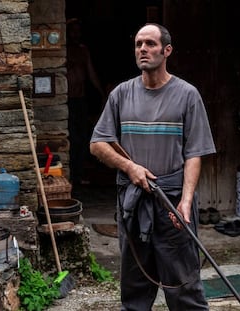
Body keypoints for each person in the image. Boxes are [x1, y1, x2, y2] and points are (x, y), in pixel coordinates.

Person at [90, 23, 216, 311]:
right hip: (133, 205)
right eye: (138, 44)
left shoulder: (187, 95)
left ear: (166, 50)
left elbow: (195, 154)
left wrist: (185, 202)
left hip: (172, 204)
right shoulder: (121, 94)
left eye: (149, 43)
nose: (143, 49)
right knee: (134, 291)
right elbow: (97, 144)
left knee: (184, 289)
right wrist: (129, 167)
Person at [66, 18, 104, 187]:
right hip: (67, 100)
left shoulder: (83, 51)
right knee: (71, 138)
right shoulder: (63, 51)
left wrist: (101, 92)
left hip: (80, 99)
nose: (76, 34)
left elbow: (90, 72)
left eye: (77, 31)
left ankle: (78, 174)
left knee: (82, 138)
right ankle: (70, 174)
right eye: (72, 31)